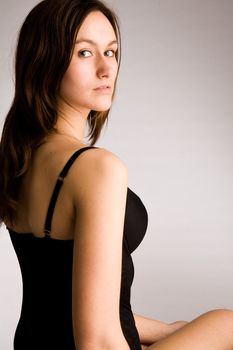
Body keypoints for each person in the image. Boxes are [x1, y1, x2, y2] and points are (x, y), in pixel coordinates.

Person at [0, 0, 233, 349]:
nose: (106, 68)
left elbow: (63, 305)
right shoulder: (96, 168)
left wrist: (166, 331)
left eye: (111, 52)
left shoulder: (18, 159)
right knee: (227, 324)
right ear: (45, 62)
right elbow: (99, 341)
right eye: (84, 53)